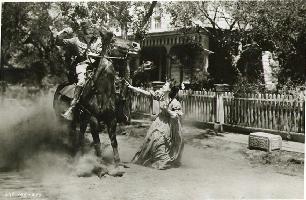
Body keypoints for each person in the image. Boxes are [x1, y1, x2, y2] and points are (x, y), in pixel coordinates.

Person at [53, 21, 111, 120]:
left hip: (98, 65)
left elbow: (110, 36)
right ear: (83, 30)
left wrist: (103, 29)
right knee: (81, 81)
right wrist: (63, 32)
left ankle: (117, 109)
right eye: (88, 28)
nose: (91, 30)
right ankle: (71, 108)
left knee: (113, 78)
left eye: (92, 28)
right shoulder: (75, 40)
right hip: (83, 65)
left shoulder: (99, 40)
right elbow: (58, 42)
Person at [126, 81, 184, 169]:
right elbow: (146, 93)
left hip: (169, 124)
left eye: (165, 85)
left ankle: (161, 159)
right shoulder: (160, 96)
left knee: (161, 140)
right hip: (159, 121)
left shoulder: (175, 103)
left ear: (169, 89)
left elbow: (176, 115)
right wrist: (131, 87)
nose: (162, 86)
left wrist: (167, 110)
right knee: (152, 139)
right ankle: (151, 158)